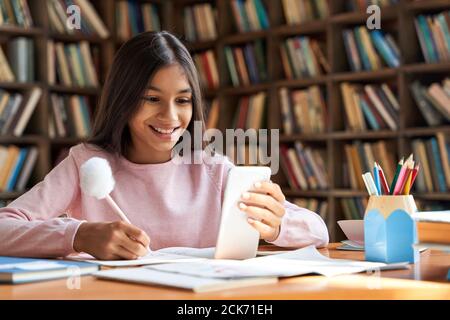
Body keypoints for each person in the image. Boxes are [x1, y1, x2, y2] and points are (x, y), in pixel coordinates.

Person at [0, 31, 328, 260]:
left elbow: (318, 231)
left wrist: (277, 225)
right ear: (124, 100)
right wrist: (78, 235)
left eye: (182, 100)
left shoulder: (213, 170)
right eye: (152, 99)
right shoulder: (86, 162)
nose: (170, 116)